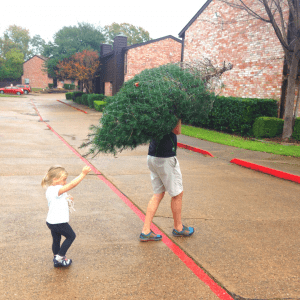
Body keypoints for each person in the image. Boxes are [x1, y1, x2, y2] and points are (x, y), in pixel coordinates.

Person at [140, 119, 194, 241]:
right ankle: (178, 228)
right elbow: (177, 130)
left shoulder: (153, 107)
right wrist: (179, 116)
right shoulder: (171, 109)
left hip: (152, 155)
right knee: (177, 194)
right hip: (166, 158)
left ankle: (145, 231)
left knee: (158, 194)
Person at [41, 165, 91, 267]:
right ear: (55, 179)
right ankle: (60, 258)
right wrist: (83, 174)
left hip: (51, 221)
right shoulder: (57, 189)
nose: (66, 182)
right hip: (59, 222)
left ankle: (56, 257)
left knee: (56, 240)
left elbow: (57, 201)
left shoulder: (51, 189)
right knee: (71, 236)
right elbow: (72, 185)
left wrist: (67, 199)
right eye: (64, 180)